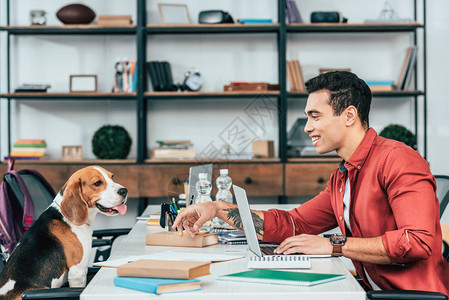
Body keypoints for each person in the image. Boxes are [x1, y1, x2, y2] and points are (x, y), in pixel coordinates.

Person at [173, 71, 449, 294]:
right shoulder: (343, 175)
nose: (307, 127)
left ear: (350, 116)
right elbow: (293, 224)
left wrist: (334, 245)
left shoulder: (399, 160)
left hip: (412, 296)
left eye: (315, 116)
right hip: (369, 290)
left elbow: (417, 241)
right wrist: (218, 209)